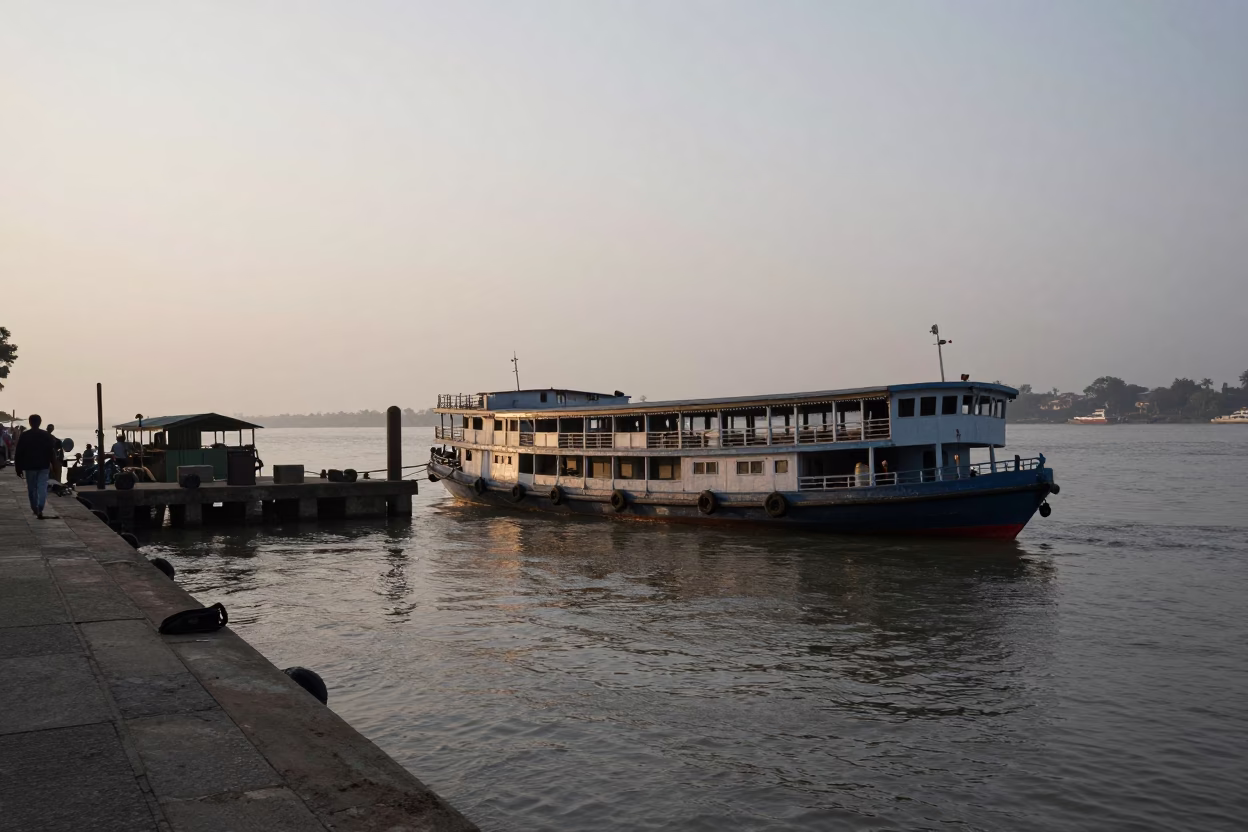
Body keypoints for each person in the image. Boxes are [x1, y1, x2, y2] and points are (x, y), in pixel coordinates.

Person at [14, 414, 58, 519]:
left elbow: (19, 452)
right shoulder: (46, 435)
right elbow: (51, 452)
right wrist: (54, 466)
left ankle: (35, 508)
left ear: (30, 422)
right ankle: (40, 507)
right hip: (43, 466)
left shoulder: (25, 435)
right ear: (40, 422)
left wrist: (18, 467)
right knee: (42, 487)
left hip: (29, 466)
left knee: (31, 488)